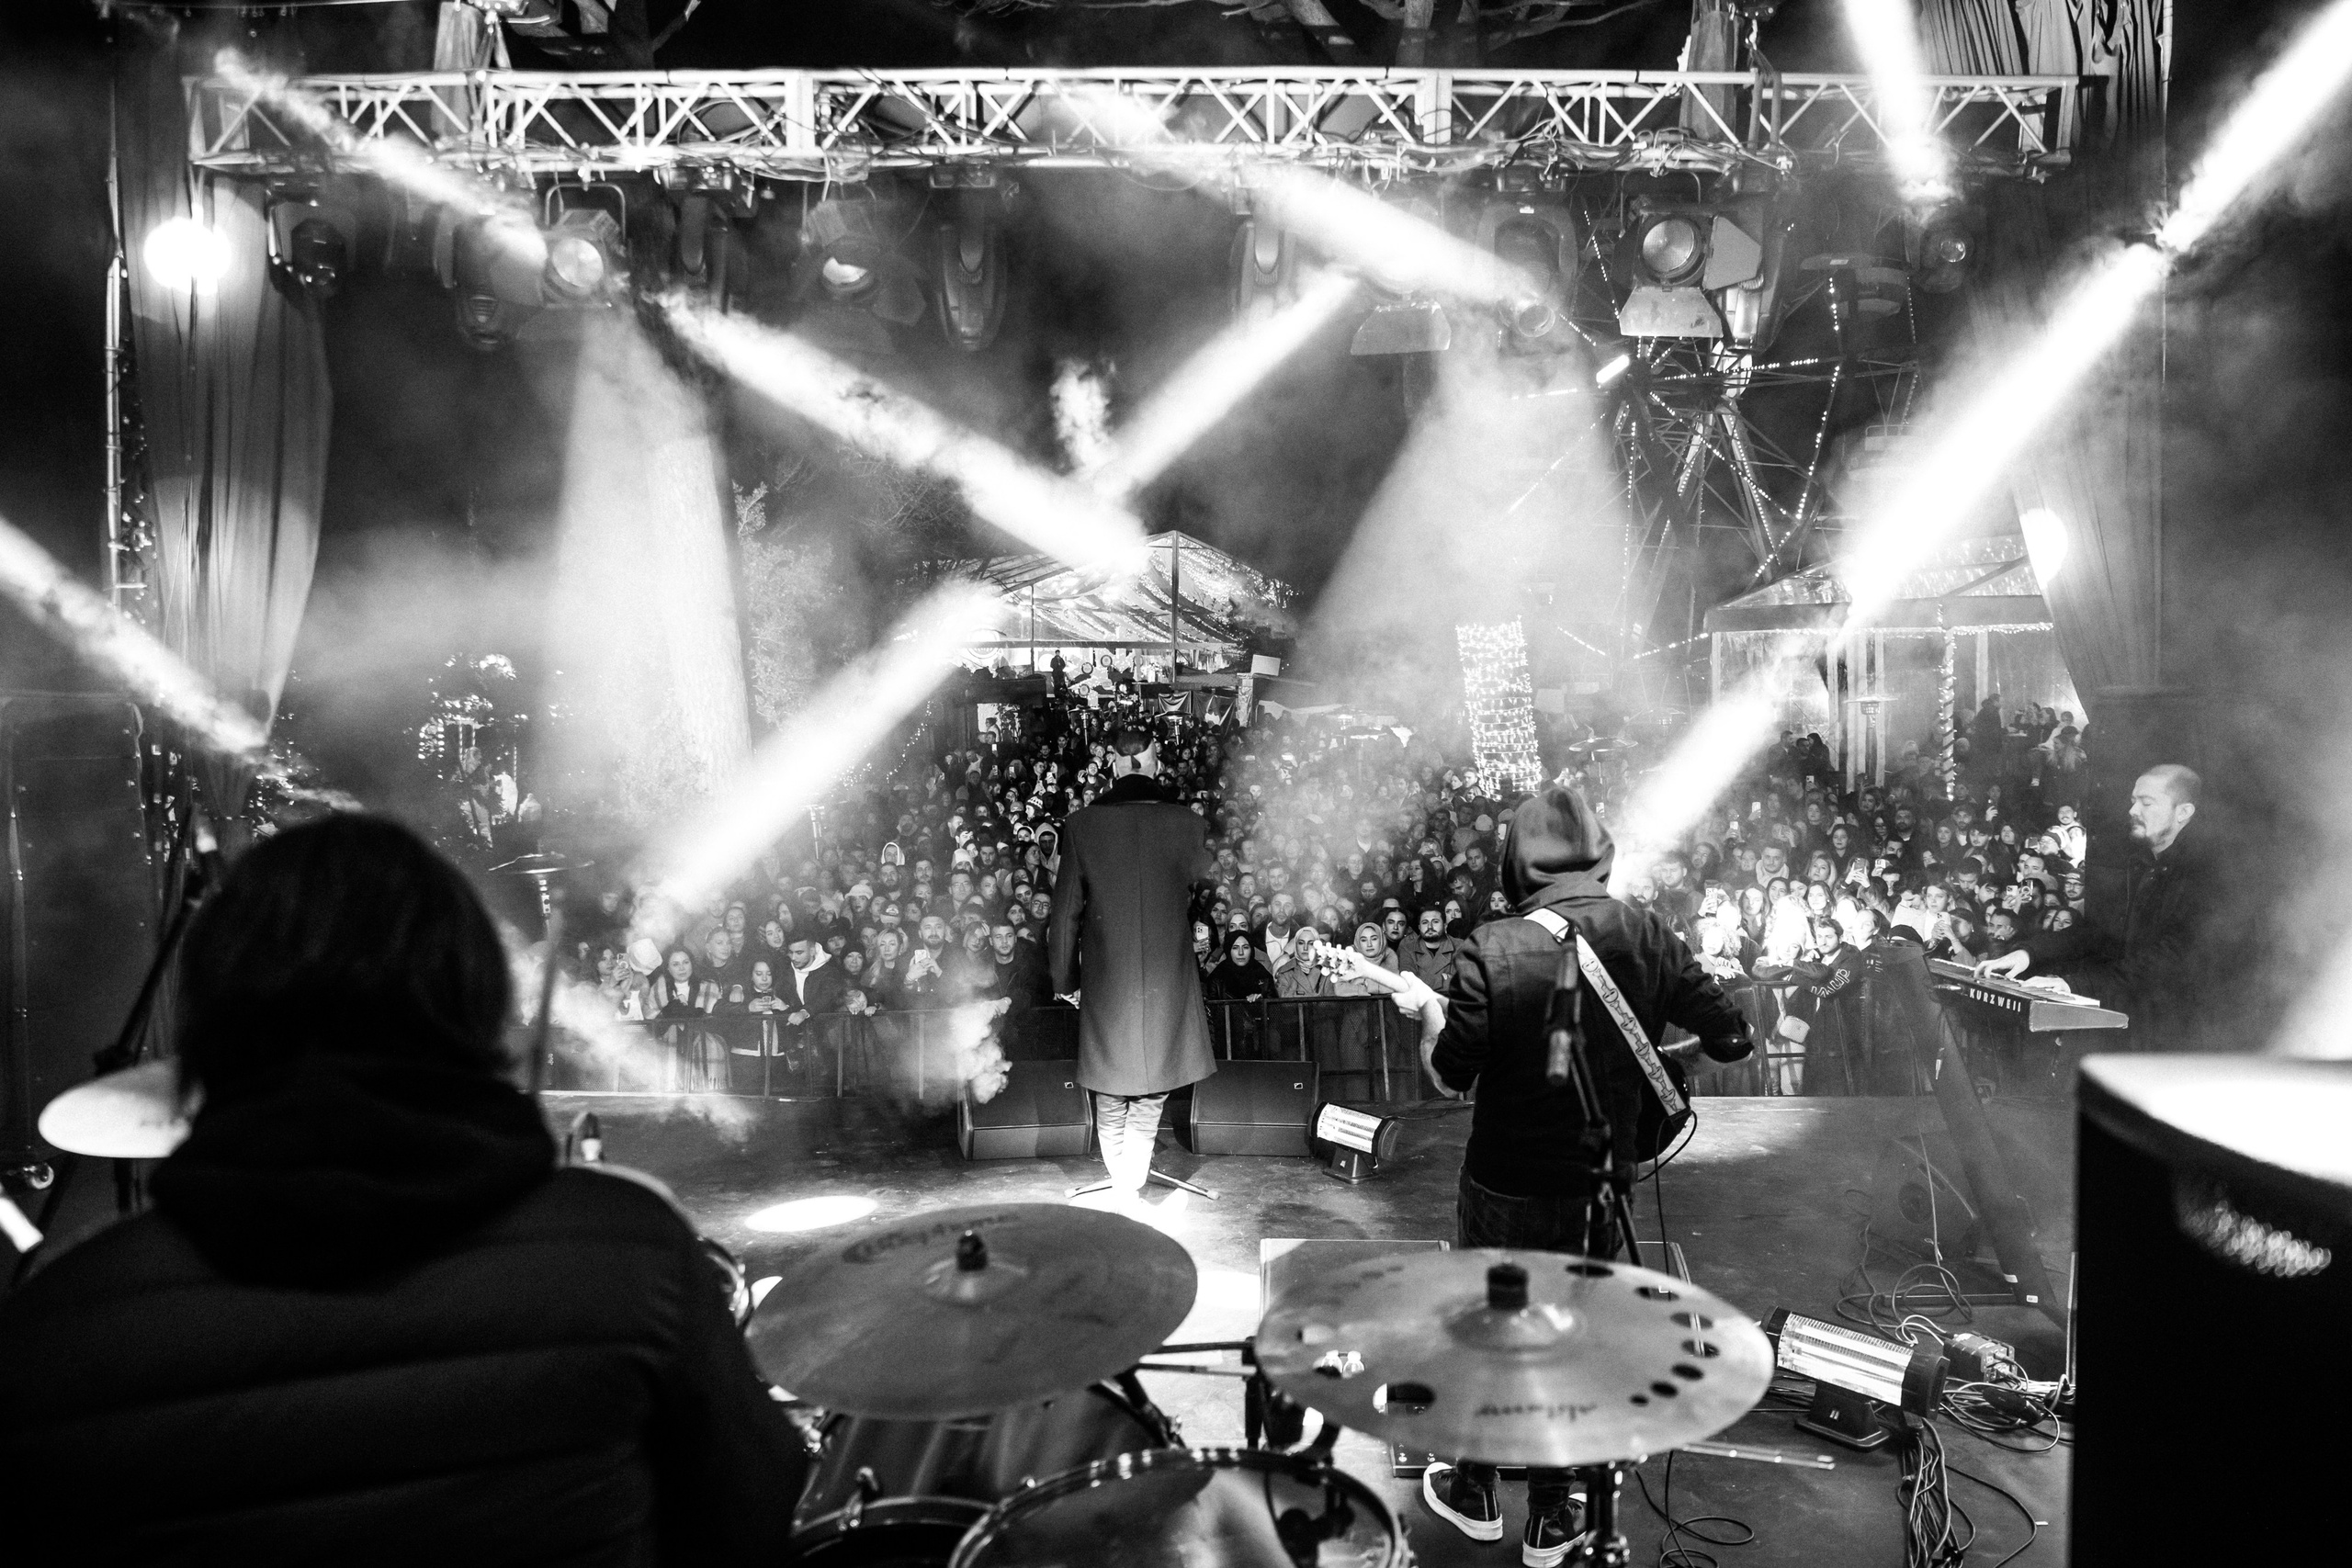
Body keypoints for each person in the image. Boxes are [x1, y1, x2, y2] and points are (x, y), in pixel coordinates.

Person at [0, 815, 804, 1561]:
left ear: (211, 1022)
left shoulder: (59, 1325)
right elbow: (757, 1517)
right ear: (469, 1001)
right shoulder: (630, 1256)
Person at [1383, 785, 1755, 1564]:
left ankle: (1475, 1489)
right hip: (1601, 1183)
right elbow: (1732, 1039)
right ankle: (1556, 1512)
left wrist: (1429, 1017)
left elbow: (1452, 1074)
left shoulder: (1492, 945)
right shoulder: (1649, 933)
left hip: (1505, 1182)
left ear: (1515, 860)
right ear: (1602, 850)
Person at [1048, 727, 1217, 1210]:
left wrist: (1064, 980)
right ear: (1154, 763)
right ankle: (1134, 1172)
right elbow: (1203, 893)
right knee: (1156, 1079)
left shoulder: (1082, 825)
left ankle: (1124, 1175)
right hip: (1167, 971)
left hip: (1108, 976)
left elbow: (1064, 917)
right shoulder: (1188, 823)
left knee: (1109, 1075)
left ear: (1117, 766)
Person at [1977, 763, 2214, 1049]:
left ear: (2183, 813)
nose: (2133, 811)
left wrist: (2074, 986)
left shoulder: (2205, 878)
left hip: (2175, 1039)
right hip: (2130, 1027)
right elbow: (2096, 933)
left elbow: (2166, 963)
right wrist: (2027, 954)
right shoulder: (2139, 865)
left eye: (2146, 802)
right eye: (2133, 801)